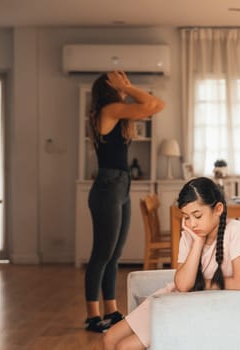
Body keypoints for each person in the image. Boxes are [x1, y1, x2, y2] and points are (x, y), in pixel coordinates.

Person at [103, 177, 240, 349]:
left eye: (197, 215)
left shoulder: (235, 231)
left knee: (124, 347)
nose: (192, 223)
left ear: (218, 209)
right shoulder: (190, 234)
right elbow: (182, 284)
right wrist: (197, 242)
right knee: (109, 338)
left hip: (193, 305)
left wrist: (202, 283)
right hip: (175, 297)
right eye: (186, 217)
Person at [84, 70, 165, 333]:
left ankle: (112, 310)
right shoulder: (109, 110)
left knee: (115, 254)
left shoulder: (117, 114)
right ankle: (93, 316)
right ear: (109, 89)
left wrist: (127, 88)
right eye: (118, 83)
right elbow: (153, 104)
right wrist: (129, 88)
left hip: (120, 185)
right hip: (108, 187)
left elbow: (157, 106)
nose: (124, 86)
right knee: (102, 254)